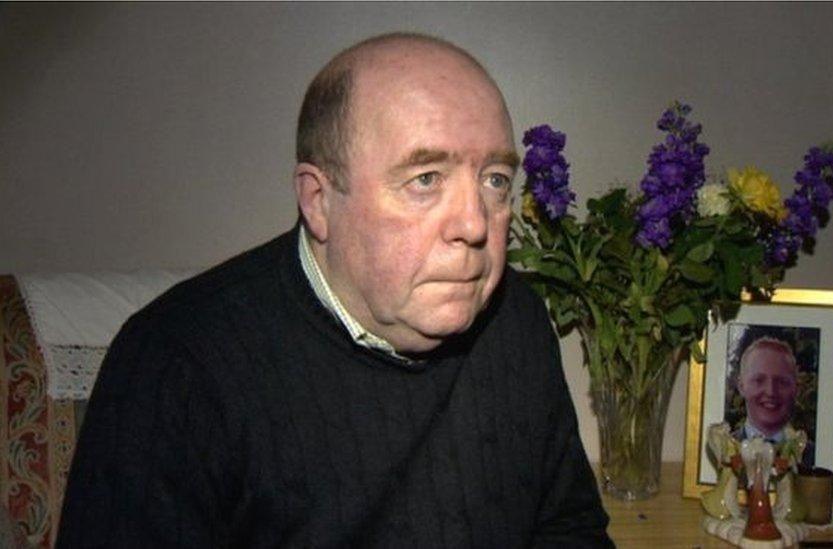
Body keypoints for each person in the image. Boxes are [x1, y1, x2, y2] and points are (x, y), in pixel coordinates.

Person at [57, 33, 612, 548]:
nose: (474, 223)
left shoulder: (516, 317)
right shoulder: (175, 365)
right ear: (319, 200)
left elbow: (569, 528)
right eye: (426, 179)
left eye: (494, 179)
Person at [732, 337, 814, 467]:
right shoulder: (726, 451)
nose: (770, 392)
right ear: (741, 386)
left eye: (781, 382)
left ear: (796, 388)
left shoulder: (813, 456)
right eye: (759, 380)